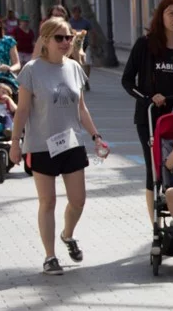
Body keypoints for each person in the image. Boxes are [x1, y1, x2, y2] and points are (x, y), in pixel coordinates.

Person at [9, 17, 104, 276]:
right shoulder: (31, 70)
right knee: (47, 201)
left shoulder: (74, 67)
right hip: (40, 144)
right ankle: (50, 257)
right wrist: (15, 143)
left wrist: (96, 136)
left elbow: (81, 108)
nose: (65, 42)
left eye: (68, 38)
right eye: (59, 38)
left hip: (71, 143)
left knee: (78, 201)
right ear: (46, 40)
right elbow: (23, 110)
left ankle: (67, 234)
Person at [122, 0, 173, 223]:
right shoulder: (145, 45)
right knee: (155, 171)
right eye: (171, 14)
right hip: (150, 118)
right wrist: (149, 97)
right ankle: (156, 225)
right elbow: (127, 81)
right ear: (161, 16)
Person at [68, 6, 92, 88]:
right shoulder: (69, 23)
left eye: (78, 13)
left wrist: (93, 43)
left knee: (87, 63)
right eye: (75, 13)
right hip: (74, 46)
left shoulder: (85, 22)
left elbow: (92, 32)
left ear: (80, 13)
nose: (76, 14)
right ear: (72, 13)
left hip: (85, 45)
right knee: (74, 64)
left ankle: (86, 80)